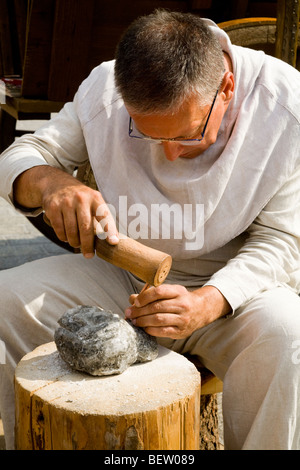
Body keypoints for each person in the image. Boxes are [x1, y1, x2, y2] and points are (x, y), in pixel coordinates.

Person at [0, 9, 299, 450]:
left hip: (234, 292)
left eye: (189, 135)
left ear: (227, 90)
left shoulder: (287, 106)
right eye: (149, 136)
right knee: (5, 302)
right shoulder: (104, 88)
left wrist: (207, 302)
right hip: (122, 279)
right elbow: (23, 154)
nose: (171, 155)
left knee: (288, 336)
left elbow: (283, 241)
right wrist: (51, 183)